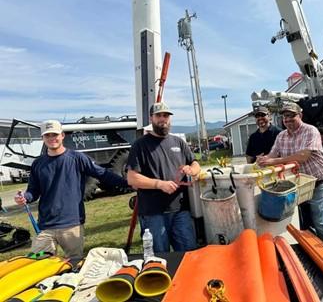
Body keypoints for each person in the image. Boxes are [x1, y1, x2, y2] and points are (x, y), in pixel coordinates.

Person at [14, 120, 128, 259]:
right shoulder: (38, 163)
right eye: (47, 135)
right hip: (46, 225)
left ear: (62, 135)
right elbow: (33, 191)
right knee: (39, 264)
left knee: (74, 265)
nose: (51, 139)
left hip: (72, 224)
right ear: (42, 138)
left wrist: (129, 183)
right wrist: (25, 197)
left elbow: (102, 174)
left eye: (54, 134)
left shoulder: (77, 158)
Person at [127, 102, 201, 252]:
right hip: (153, 214)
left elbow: (195, 163)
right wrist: (159, 184)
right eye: (158, 115)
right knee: (160, 258)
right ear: (151, 118)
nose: (163, 119)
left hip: (181, 211)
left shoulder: (178, 142)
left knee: (189, 254)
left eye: (166, 115)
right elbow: (132, 178)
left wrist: (192, 170)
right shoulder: (140, 145)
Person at [257, 102, 323, 243]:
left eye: (292, 116)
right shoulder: (281, 136)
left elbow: (303, 156)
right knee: (301, 221)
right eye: (285, 117)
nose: (288, 120)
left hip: (317, 183)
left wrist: (273, 162)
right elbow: (272, 154)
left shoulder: (310, 131)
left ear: (300, 115)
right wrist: (263, 160)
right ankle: (310, 249)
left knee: (320, 221)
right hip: (295, 184)